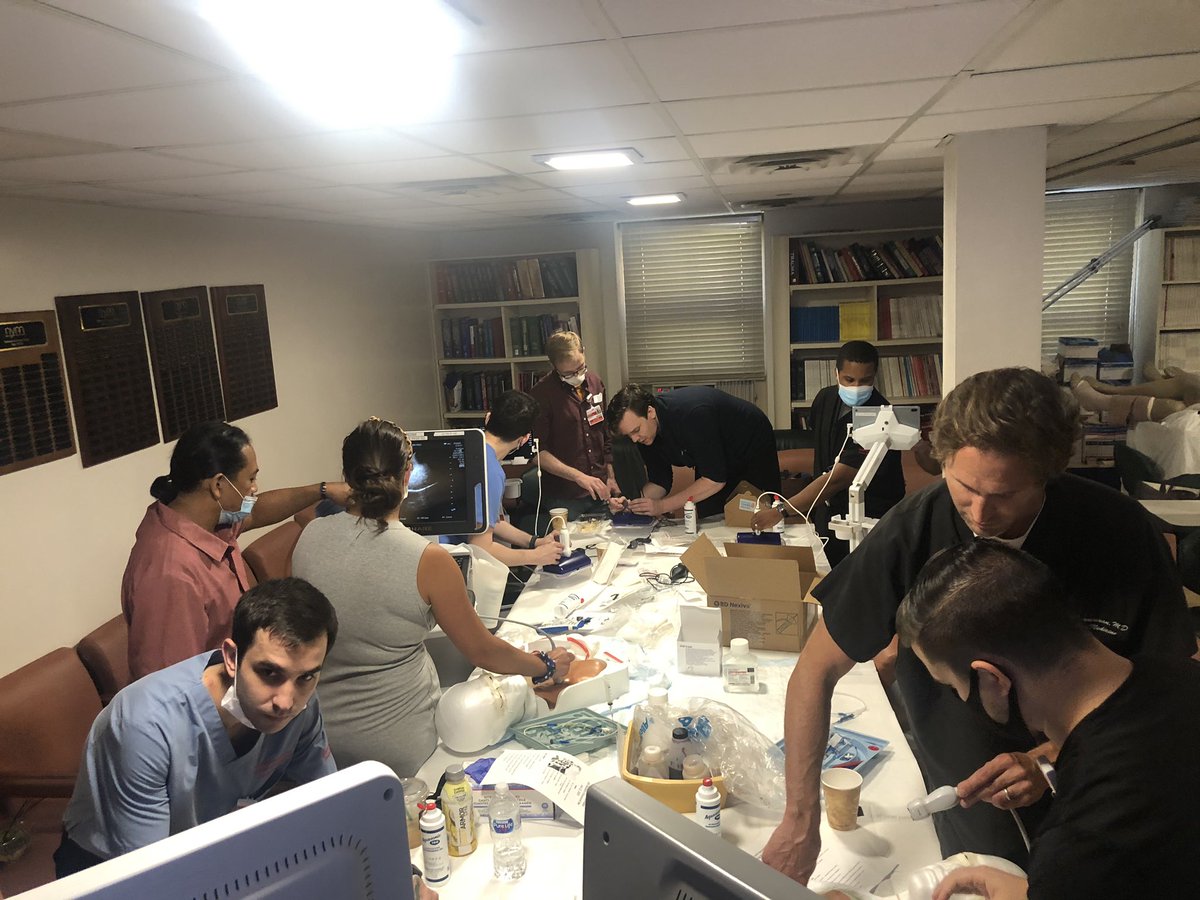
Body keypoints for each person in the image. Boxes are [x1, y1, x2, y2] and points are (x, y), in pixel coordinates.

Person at [760, 367, 1195, 884]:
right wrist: (800, 819)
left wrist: (1051, 758)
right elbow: (815, 671)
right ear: (942, 460)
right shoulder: (915, 527)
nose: (982, 514)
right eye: (965, 487)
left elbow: (1168, 687)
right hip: (967, 788)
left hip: (1103, 783)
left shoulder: (1117, 532)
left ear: (1049, 474)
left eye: (1006, 494)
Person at [897, 540, 1200, 900]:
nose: (960, 699)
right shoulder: (1182, 675)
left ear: (992, 679)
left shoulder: (1083, 843)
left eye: (952, 686)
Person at [290, 417, 574, 777]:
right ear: (408, 476)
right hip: (402, 750)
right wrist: (544, 665)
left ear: (346, 477)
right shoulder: (427, 559)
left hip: (321, 743)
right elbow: (483, 651)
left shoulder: (310, 535)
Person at [56, 578, 339, 877]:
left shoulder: (301, 707)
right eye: (269, 672)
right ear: (232, 658)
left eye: (306, 677)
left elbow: (331, 802)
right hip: (109, 869)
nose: (285, 702)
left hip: (214, 844)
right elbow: (151, 879)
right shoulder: (145, 726)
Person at [122, 420, 350, 679]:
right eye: (251, 478)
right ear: (218, 485)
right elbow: (171, 684)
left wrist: (322, 490)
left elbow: (256, 512)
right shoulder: (170, 572)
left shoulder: (206, 520)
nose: (255, 488)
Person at [752, 341, 905, 566]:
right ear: (836, 374)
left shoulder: (880, 417)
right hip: (827, 512)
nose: (857, 387)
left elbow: (838, 479)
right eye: (849, 379)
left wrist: (782, 511)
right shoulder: (825, 399)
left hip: (868, 516)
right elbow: (824, 452)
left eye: (865, 381)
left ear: (875, 376)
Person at [605, 384, 780, 519]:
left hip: (750, 444)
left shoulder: (692, 415)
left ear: (650, 412)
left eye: (636, 430)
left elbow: (714, 479)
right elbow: (660, 481)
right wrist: (631, 504)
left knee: (760, 513)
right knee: (708, 513)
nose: (635, 439)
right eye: (629, 435)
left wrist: (662, 506)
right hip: (716, 458)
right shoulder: (646, 434)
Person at [444, 390, 564, 569]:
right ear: (524, 439)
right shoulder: (490, 470)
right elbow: (481, 548)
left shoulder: (461, 450)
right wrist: (535, 556)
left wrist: (535, 542)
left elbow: (486, 521)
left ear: (487, 418)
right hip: (448, 561)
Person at [524, 332, 621, 527]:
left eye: (580, 367)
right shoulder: (542, 395)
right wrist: (579, 477)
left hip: (600, 488)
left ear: (583, 352)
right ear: (554, 366)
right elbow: (537, 452)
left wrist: (611, 477)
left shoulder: (595, 382)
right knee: (572, 542)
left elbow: (604, 434)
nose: (577, 376)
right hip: (565, 495)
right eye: (568, 374)